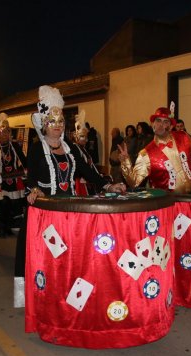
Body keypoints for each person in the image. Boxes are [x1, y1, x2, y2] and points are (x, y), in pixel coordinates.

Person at [14, 85, 125, 307]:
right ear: (44, 124)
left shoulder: (71, 148)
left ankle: (69, 296)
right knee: (48, 256)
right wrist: (34, 189)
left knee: (70, 255)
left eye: (61, 122)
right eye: (53, 122)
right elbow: (31, 177)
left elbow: (88, 172)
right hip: (46, 211)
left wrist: (108, 185)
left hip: (70, 210)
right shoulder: (37, 148)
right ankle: (44, 296)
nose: (57, 126)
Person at [118, 102, 191, 194]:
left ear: (171, 126)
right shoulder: (145, 154)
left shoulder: (183, 136)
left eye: (165, 121)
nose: (161, 125)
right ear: (153, 125)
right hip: (168, 202)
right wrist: (125, 163)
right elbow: (134, 182)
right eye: (158, 121)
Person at [0, 112, 27, 237]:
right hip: (0, 182)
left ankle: (12, 226)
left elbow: (23, 160)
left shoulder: (15, 146)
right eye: (1, 133)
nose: (3, 135)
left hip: (14, 181)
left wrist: (26, 170)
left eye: (6, 133)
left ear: (9, 134)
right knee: (2, 204)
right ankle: (2, 227)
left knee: (14, 204)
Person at [71, 109, 101, 196]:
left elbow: (90, 165)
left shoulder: (84, 149)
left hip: (87, 181)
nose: (86, 140)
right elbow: (77, 165)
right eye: (82, 137)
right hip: (79, 182)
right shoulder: (74, 148)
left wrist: (98, 176)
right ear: (76, 137)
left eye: (86, 137)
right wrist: (81, 176)